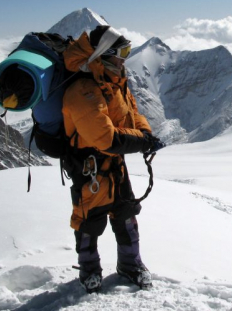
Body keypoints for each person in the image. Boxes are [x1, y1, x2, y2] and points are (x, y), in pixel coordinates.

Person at [61, 25, 161, 293]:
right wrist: (142, 141)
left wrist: (146, 132)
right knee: (88, 221)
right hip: (89, 167)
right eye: (122, 52)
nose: (125, 58)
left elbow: (131, 113)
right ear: (104, 55)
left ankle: (130, 265)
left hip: (115, 164)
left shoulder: (114, 81)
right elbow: (104, 138)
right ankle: (89, 271)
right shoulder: (83, 90)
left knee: (126, 214)